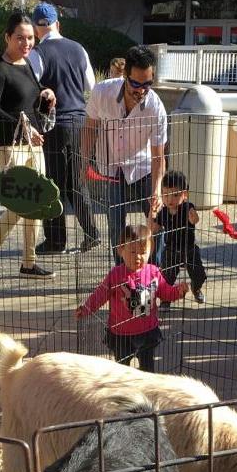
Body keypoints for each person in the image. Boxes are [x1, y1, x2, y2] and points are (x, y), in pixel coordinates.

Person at [0, 11, 55, 280]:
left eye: (30, 38)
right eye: (20, 38)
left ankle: (28, 263)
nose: (26, 43)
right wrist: (23, 127)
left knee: (37, 199)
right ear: (7, 37)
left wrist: (46, 94)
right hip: (10, 145)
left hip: (34, 143)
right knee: (19, 203)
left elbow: (30, 101)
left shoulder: (27, 64)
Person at [29, 1, 102, 256]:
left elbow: (32, 90)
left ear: (36, 29)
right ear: (57, 24)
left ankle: (55, 241)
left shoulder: (37, 54)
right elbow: (92, 88)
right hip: (80, 122)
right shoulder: (78, 49)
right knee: (77, 181)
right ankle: (92, 233)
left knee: (53, 184)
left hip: (55, 126)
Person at [83, 45, 168, 259]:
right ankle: (121, 273)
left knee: (157, 219)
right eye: (136, 84)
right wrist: (83, 163)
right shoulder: (102, 92)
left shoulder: (156, 108)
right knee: (116, 226)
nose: (141, 90)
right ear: (125, 76)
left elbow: (159, 156)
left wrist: (157, 190)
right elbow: (89, 129)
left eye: (147, 84)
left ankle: (154, 271)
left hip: (142, 166)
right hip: (110, 167)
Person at [75, 226, 187, 371]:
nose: (138, 256)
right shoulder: (116, 275)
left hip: (147, 331)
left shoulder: (153, 272)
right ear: (121, 249)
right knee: (122, 369)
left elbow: (165, 292)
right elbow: (100, 295)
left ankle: (145, 384)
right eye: (133, 252)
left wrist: (178, 292)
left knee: (147, 369)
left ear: (151, 250)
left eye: (143, 252)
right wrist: (86, 308)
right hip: (121, 334)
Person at [151, 170, 206, 303]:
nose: (170, 199)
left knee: (199, 274)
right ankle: (166, 299)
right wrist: (152, 213)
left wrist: (193, 217)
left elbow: (195, 220)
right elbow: (154, 229)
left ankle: (196, 288)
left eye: (175, 195)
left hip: (189, 248)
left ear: (184, 195)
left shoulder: (188, 207)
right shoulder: (163, 212)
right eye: (166, 195)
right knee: (167, 277)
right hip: (171, 249)